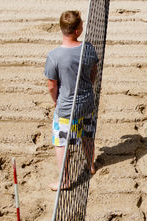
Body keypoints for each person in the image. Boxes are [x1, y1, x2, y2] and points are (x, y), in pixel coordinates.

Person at [44, 10, 98, 191]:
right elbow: (93, 73)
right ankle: (90, 165)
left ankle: (65, 180)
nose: (83, 27)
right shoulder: (89, 48)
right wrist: (87, 85)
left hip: (67, 107)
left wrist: (55, 100)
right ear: (76, 31)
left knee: (61, 143)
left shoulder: (54, 56)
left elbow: (52, 85)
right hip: (88, 102)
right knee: (87, 135)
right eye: (81, 24)